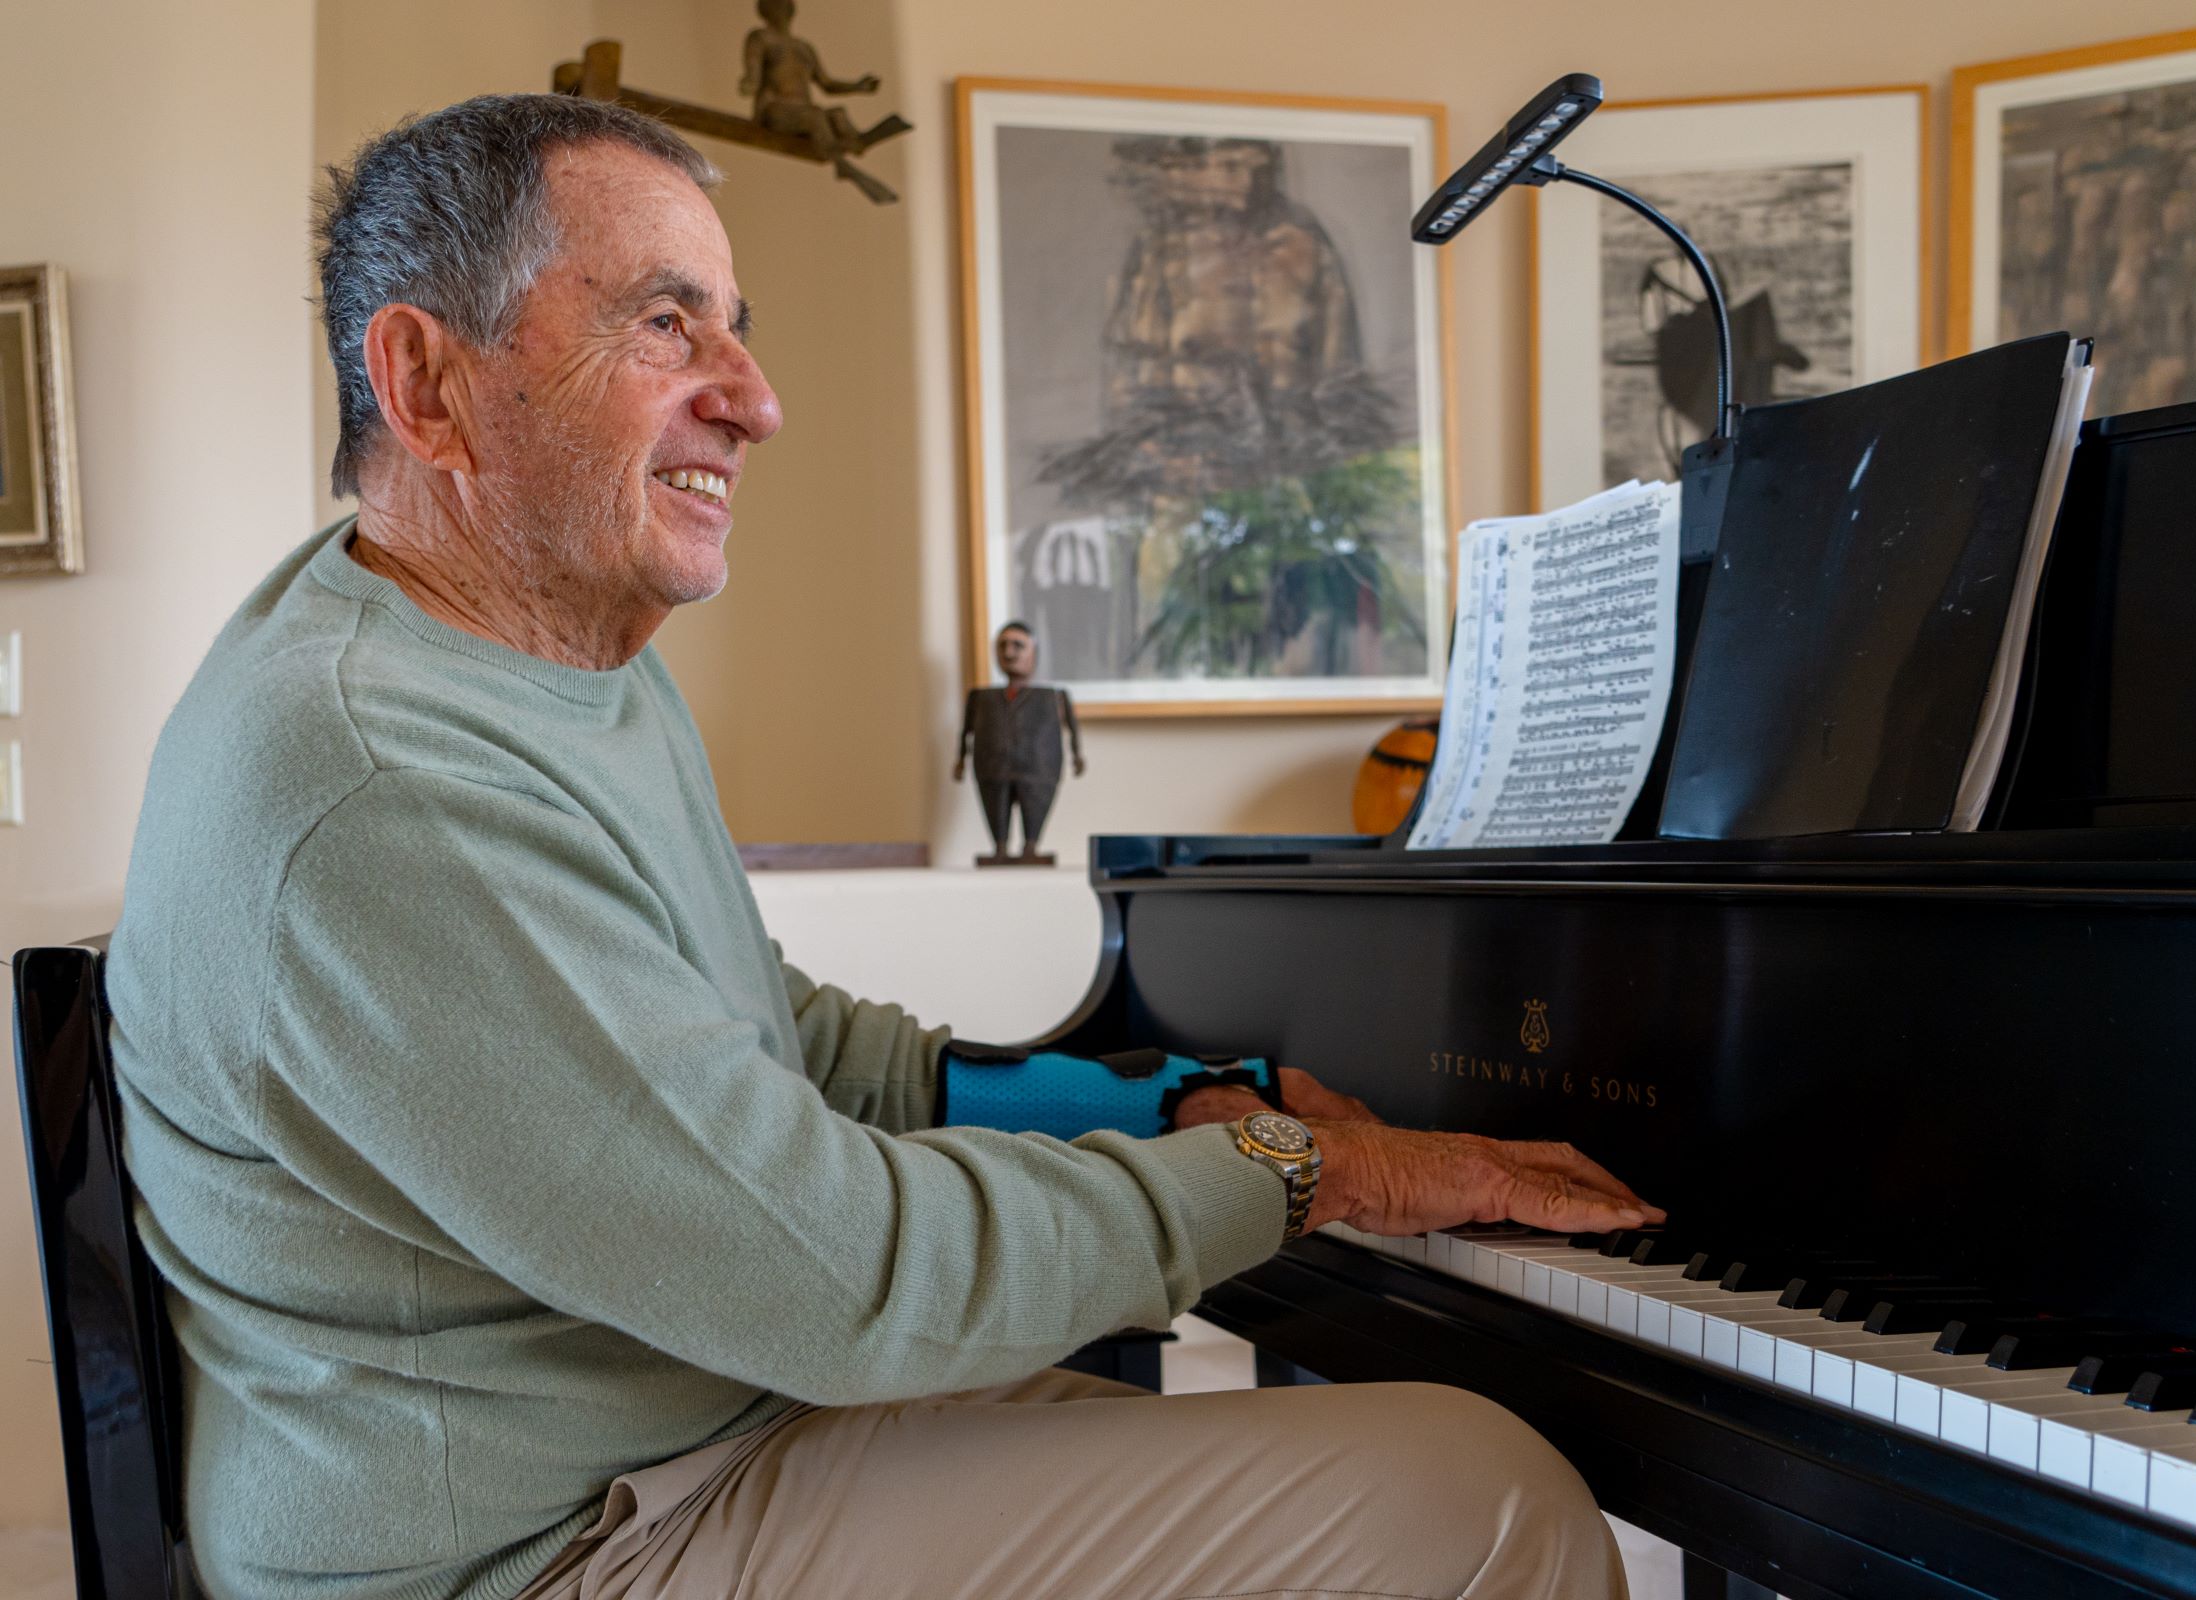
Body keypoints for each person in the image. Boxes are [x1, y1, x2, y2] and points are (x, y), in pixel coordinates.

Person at [105, 94, 1660, 1600]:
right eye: (665, 322)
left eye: (734, 320)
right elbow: (841, 1283)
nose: (756, 395)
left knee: (1346, 1460)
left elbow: (767, 1039)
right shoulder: (383, 779)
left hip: (697, 1428)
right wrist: (1297, 1169)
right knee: (1475, 1501)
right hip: (541, 1547)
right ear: (428, 386)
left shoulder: (550, 669)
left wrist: (1162, 1099)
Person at [953, 619, 1082, 862]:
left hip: (1038, 768)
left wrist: (1077, 755)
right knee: (995, 806)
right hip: (992, 767)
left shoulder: (1052, 697)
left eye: (1017, 646)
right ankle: (1000, 847)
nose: (1009, 653)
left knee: (1035, 806)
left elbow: (1072, 729)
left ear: (1034, 652)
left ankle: (1030, 846)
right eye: (1002, 646)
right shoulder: (981, 698)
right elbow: (967, 730)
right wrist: (960, 760)